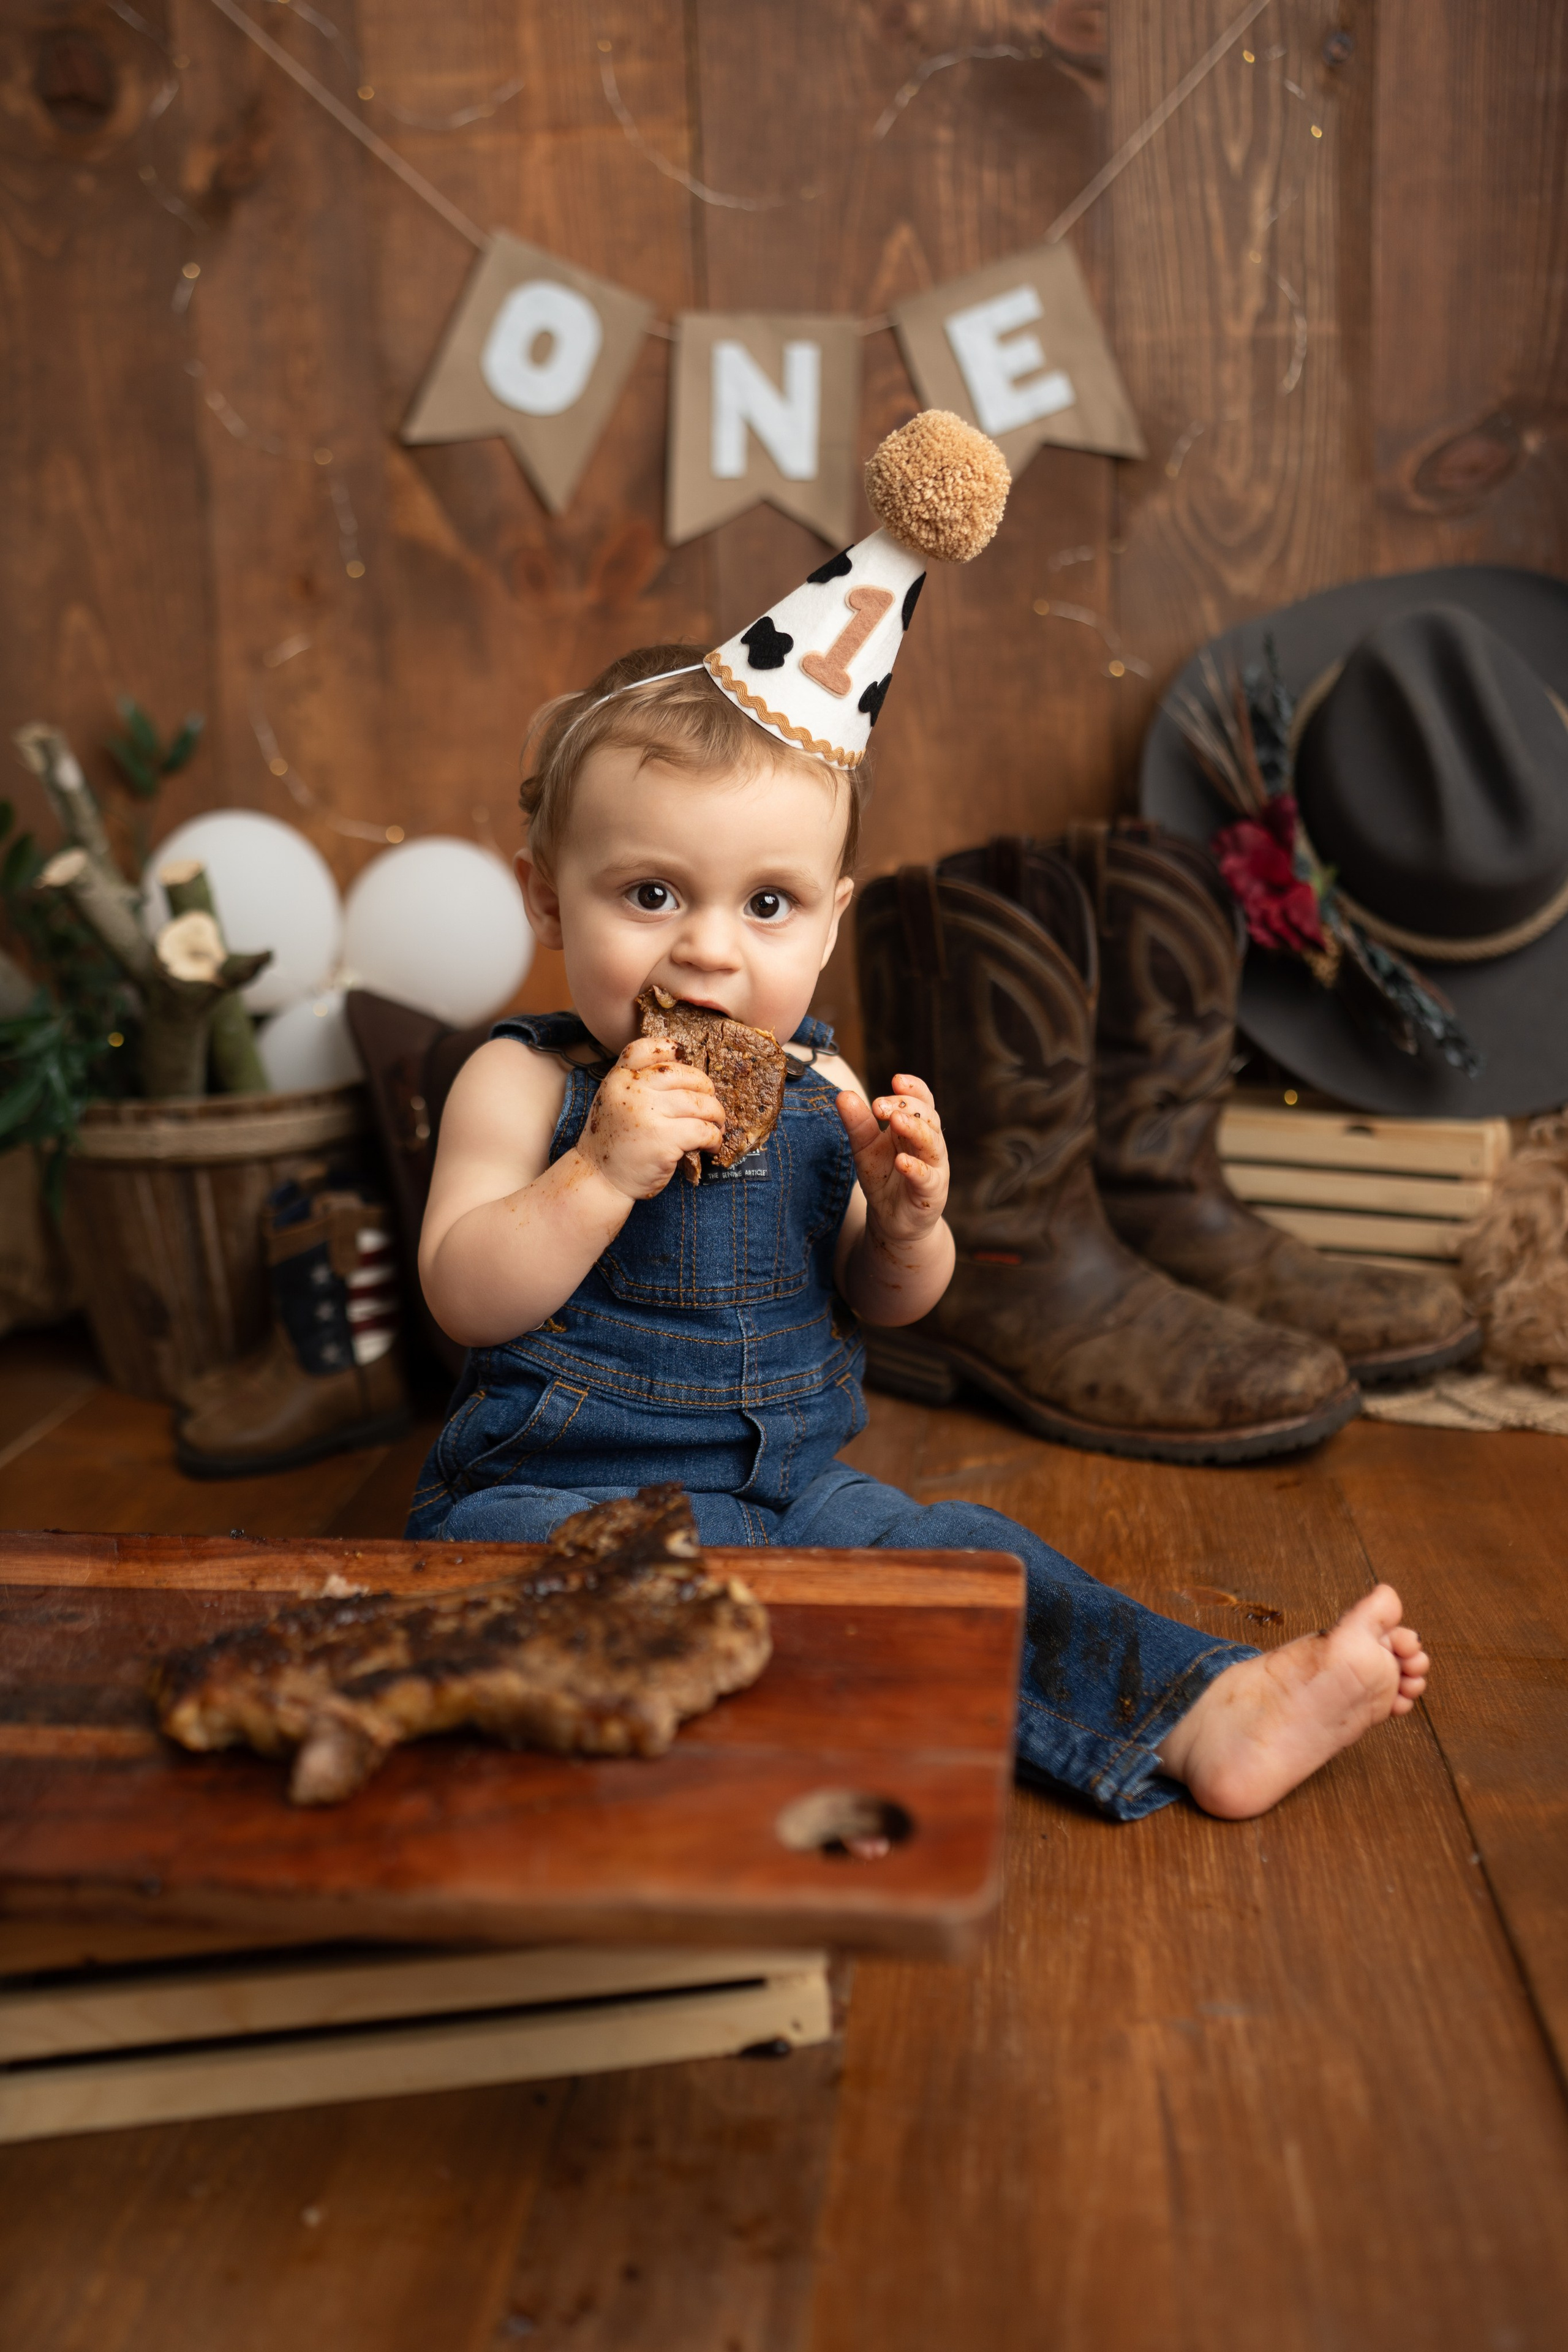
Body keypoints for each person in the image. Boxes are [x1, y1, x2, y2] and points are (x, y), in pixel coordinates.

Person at [407, 645, 1429, 1823]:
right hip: (553, 1493)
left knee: (967, 1562)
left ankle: (1205, 1713)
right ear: (545, 896)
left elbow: (891, 1302)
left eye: (769, 903)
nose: (708, 948)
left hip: (794, 1493)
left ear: (833, 922)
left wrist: (905, 1226)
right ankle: (719, 1765)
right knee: (564, 1602)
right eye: (651, 894)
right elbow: (464, 1295)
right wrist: (594, 1175)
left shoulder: (821, 1083)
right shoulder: (523, 1084)